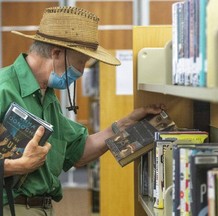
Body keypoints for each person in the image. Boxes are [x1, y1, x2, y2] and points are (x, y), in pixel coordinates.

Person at [0, 6, 165, 216]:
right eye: (80, 62)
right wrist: (17, 167)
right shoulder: (3, 89)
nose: (81, 71)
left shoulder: (47, 96)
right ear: (57, 53)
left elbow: (77, 152)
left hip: (40, 207)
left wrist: (125, 124)